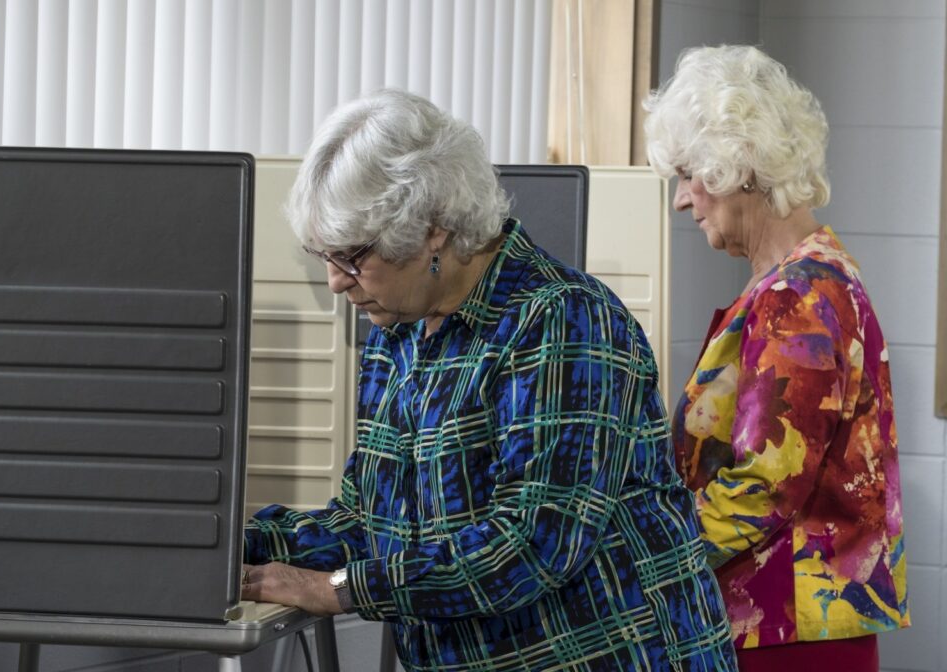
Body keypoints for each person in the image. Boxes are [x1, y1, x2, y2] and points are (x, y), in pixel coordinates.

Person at [241, 88, 737, 671]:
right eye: (322, 255)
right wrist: (232, 545)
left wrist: (339, 589)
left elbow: (533, 545)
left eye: (352, 256)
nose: (335, 282)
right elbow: (370, 521)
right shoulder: (396, 338)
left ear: (432, 229)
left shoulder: (561, 320)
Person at [643, 45, 911, 671]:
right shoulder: (798, 284)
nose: (683, 201)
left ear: (734, 167)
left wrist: (642, 557)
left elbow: (765, 486)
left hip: (786, 633)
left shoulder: (802, 294)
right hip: (783, 624)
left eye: (689, 175)